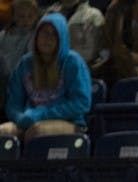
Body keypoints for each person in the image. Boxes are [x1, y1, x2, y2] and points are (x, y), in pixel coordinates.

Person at [0, 13, 90, 141]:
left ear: (62, 37)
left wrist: (42, 114)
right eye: (43, 33)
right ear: (36, 36)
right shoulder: (25, 64)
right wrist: (19, 117)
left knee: (37, 132)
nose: (47, 38)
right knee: (3, 132)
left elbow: (81, 103)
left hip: (71, 122)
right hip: (30, 121)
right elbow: (13, 104)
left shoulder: (73, 62)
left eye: (53, 34)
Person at [0, 0, 40, 109]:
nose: (25, 20)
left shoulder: (37, 35)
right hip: (4, 79)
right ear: (14, 17)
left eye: (30, 16)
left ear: (36, 16)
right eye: (21, 16)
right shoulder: (4, 35)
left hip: (25, 83)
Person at [45, 0, 104, 65]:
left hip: (80, 69)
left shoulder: (93, 16)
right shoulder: (49, 14)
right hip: (51, 68)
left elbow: (91, 53)